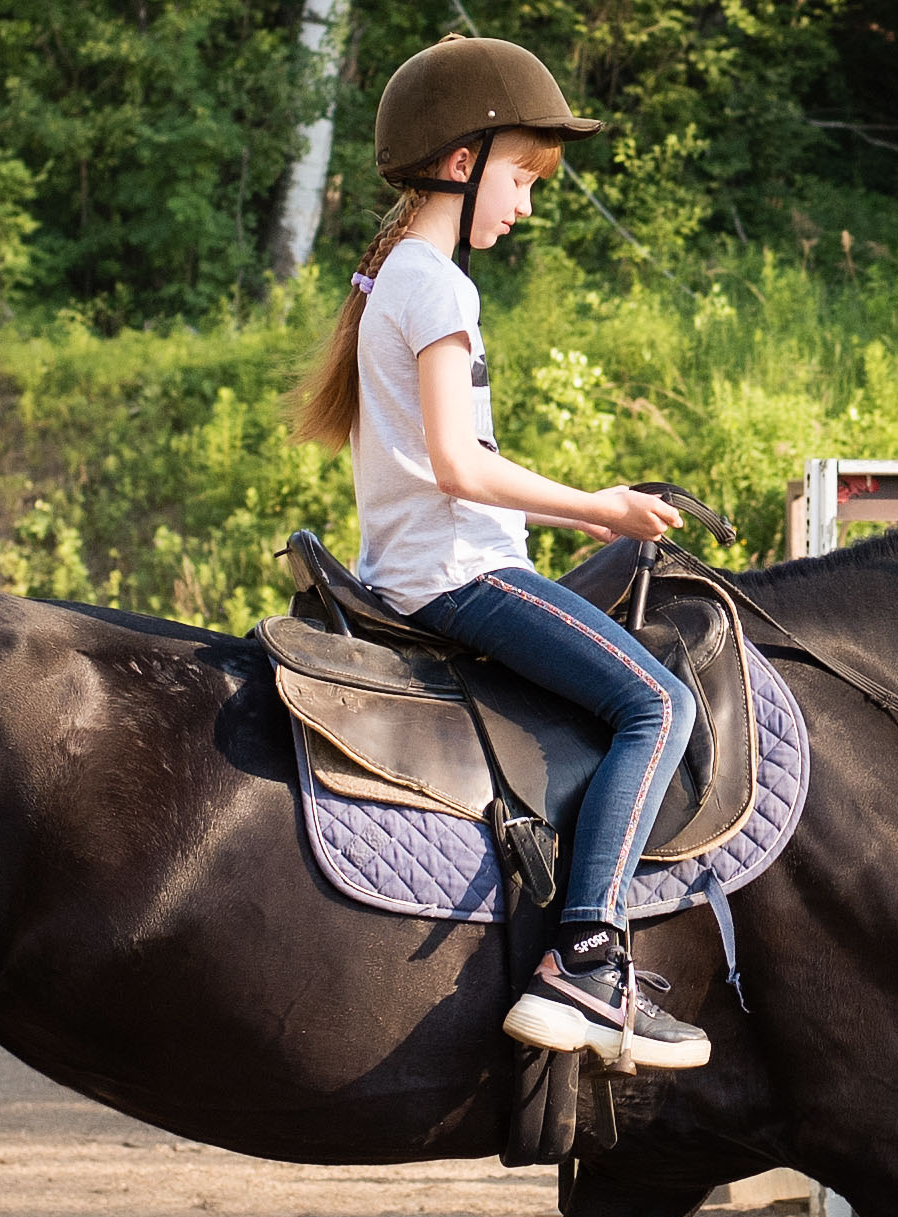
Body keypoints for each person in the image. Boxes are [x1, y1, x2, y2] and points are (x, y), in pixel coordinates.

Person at [288, 35, 710, 1069]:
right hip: (461, 578)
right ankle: (589, 959)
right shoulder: (436, 287)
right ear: (465, 158)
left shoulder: (400, 278)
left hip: (430, 569)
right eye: (522, 176)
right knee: (661, 707)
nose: (526, 203)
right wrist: (599, 508)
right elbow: (459, 465)